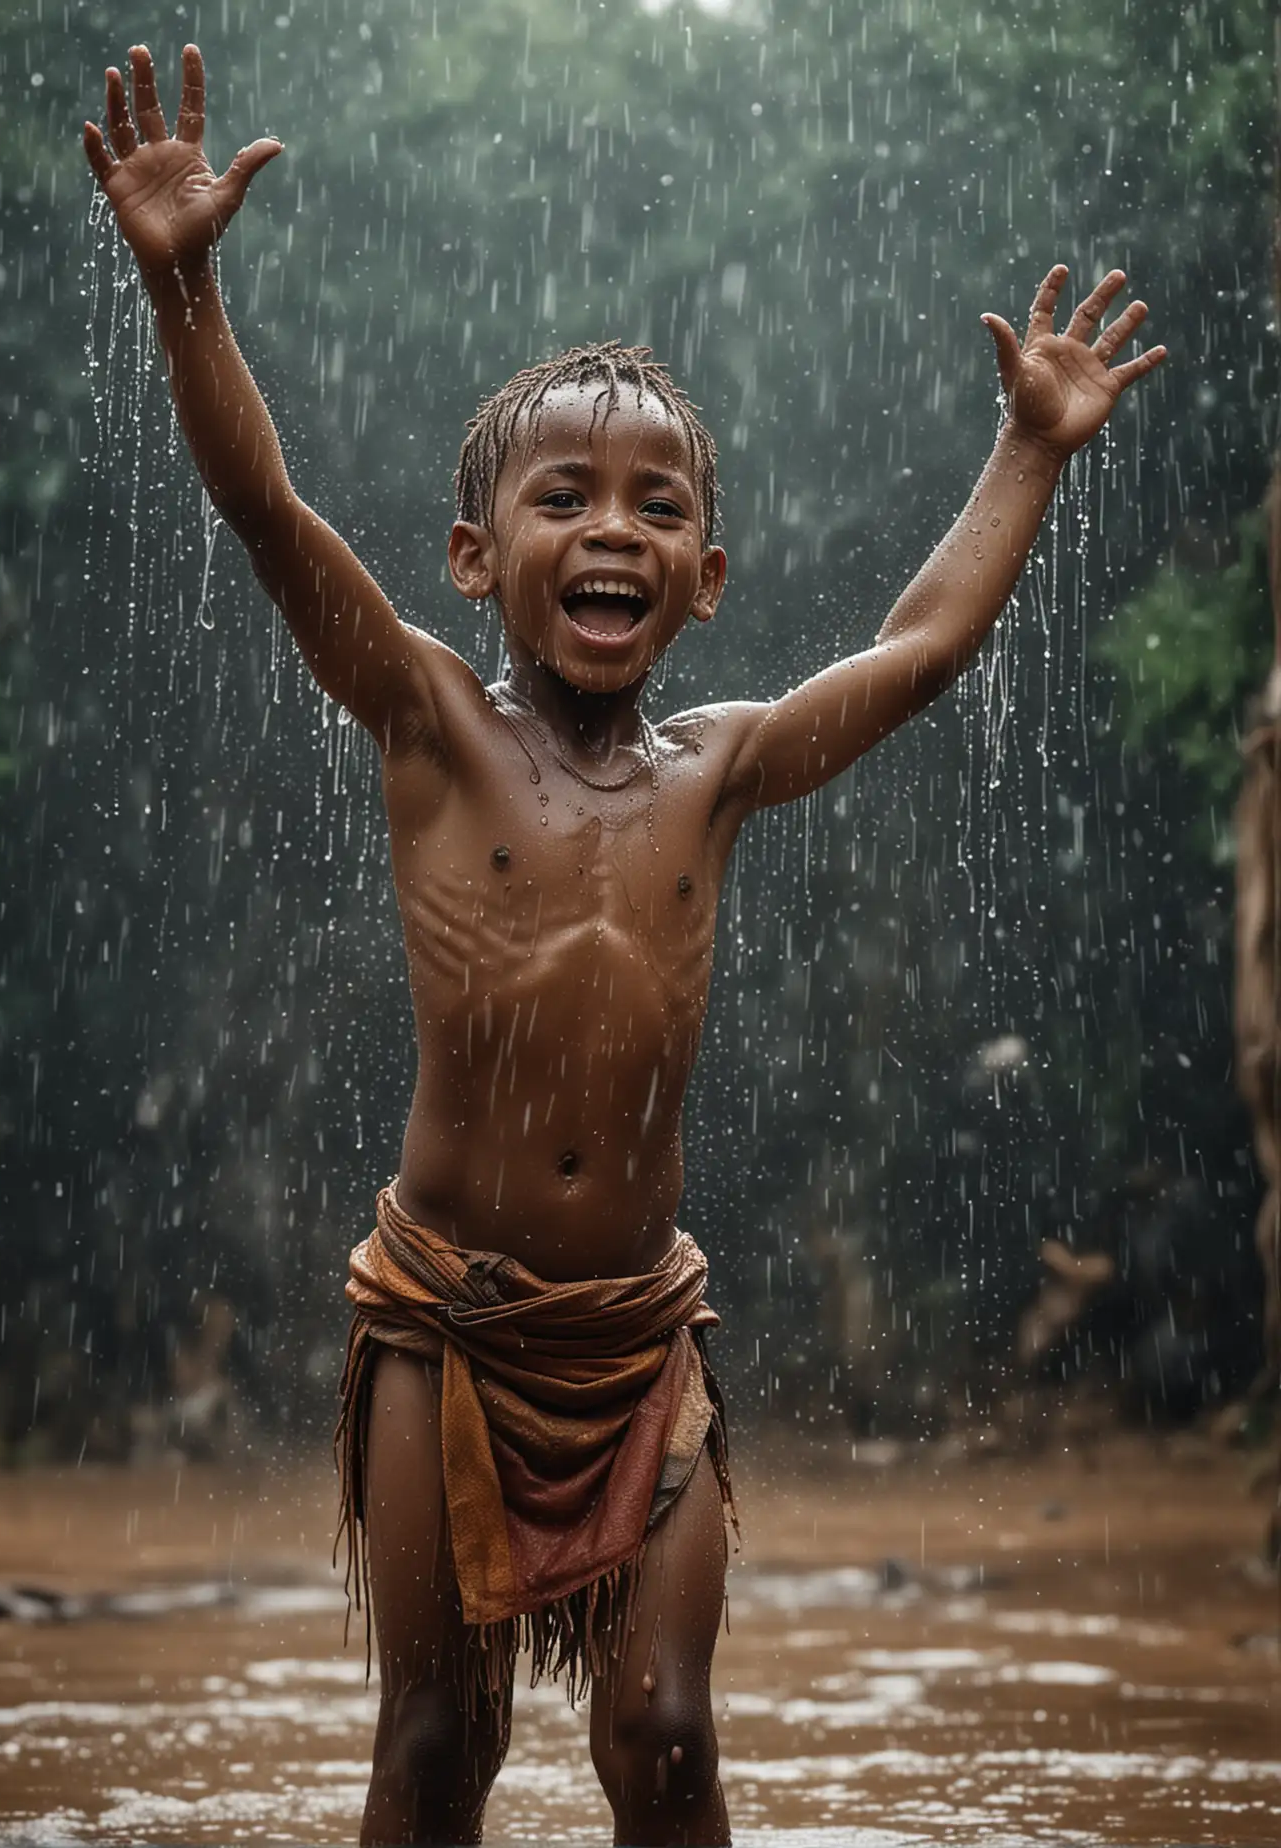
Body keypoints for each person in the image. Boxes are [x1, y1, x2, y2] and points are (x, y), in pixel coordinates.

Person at [84, 43, 1166, 1847]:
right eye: (563, 497)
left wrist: (1027, 451)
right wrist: (183, 282)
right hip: (445, 1319)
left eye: (658, 507)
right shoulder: (431, 726)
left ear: (709, 577)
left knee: (665, 1733)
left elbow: (918, 654)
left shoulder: (717, 769)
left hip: (641, 1331)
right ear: (469, 553)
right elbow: (267, 514)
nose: (612, 529)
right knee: (439, 1750)